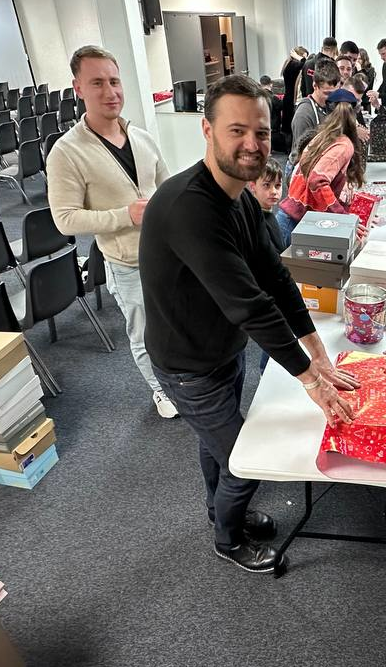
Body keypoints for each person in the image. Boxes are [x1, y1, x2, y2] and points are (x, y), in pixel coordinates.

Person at [139, 74, 358, 574]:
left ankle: (219, 511)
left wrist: (318, 353)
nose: (252, 144)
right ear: (207, 130)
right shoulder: (189, 207)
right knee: (244, 458)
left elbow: (275, 277)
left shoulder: (239, 197)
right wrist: (311, 380)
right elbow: (251, 306)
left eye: (260, 132)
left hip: (223, 350)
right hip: (188, 366)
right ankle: (228, 538)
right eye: (236, 131)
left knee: (217, 447)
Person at [47, 44, 178, 419]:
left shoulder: (141, 137)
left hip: (168, 255)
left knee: (177, 321)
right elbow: (65, 219)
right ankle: (160, 390)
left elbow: (167, 189)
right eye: (98, 83)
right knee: (144, 332)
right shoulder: (67, 152)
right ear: (78, 88)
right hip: (126, 262)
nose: (110, 91)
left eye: (115, 81)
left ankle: (182, 379)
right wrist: (126, 215)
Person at [275, 93, 367, 247]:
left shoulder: (322, 137)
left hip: (289, 217)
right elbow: (317, 180)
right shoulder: (344, 145)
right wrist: (342, 217)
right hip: (297, 224)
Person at [248, 156, 285, 371]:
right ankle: (264, 372)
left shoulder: (270, 216)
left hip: (272, 286)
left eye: (278, 186)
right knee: (273, 335)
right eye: (267, 185)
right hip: (265, 290)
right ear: (252, 186)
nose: (274, 191)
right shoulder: (256, 219)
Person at [289, 57, 339, 172]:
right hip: (303, 168)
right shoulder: (304, 114)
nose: (331, 97)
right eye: (326, 93)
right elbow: (301, 156)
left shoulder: (330, 106)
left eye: (333, 93)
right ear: (315, 86)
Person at [280, 45, 309, 145]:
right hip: (292, 100)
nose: (306, 58)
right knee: (292, 130)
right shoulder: (294, 65)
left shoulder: (289, 64)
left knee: (289, 130)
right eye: (304, 56)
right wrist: (300, 58)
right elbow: (306, 64)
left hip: (288, 98)